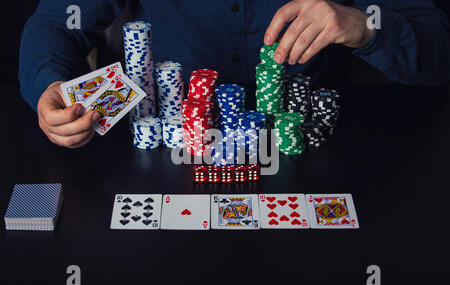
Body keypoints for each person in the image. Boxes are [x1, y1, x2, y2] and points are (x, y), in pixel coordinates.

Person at [19, 0, 450, 148]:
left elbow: (437, 48)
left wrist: (365, 25)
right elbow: (58, 22)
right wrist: (50, 87)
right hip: (172, 148)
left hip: (310, 150)